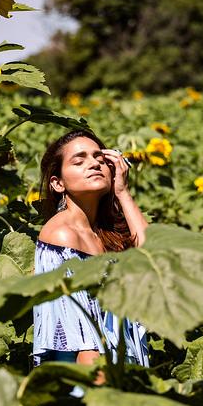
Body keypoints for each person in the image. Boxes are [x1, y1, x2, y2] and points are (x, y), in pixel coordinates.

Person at [32, 129, 149, 375]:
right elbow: (81, 339)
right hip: (91, 386)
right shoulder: (61, 236)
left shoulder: (106, 232)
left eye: (100, 158)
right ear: (58, 183)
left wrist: (123, 193)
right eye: (79, 160)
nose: (94, 163)